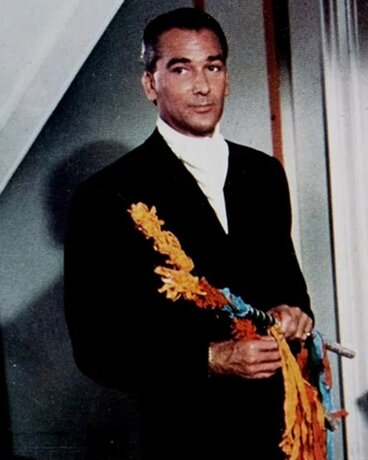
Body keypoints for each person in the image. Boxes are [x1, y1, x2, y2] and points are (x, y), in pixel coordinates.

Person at [64, 8, 313, 459]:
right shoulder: (105, 194)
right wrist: (211, 358)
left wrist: (293, 316)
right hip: (181, 437)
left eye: (212, 67)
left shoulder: (263, 174)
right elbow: (95, 349)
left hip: (274, 434)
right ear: (150, 84)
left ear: (227, 78)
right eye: (181, 69)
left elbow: (291, 291)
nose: (202, 86)